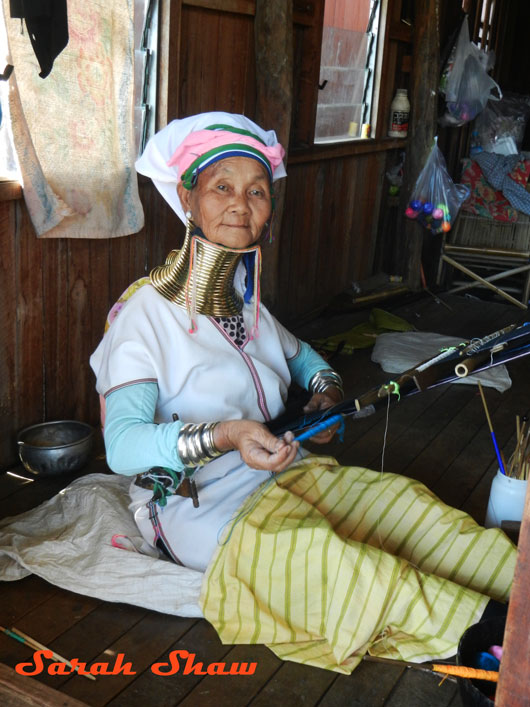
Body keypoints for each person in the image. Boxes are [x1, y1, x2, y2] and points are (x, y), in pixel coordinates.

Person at [90, 112, 515, 675]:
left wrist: (326, 392)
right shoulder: (145, 314)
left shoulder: (245, 304)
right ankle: (498, 651)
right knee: (347, 563)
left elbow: (305, 360)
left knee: (411, 511)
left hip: (286, 471)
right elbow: (122, 446)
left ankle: (521, 595)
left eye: (257, 192)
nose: (242, 206)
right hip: (201, 508)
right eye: (222, 189)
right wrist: (228, 434)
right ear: (187, 199)